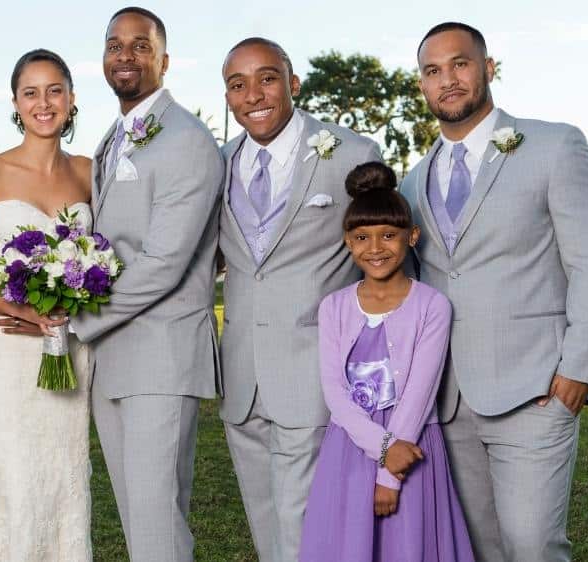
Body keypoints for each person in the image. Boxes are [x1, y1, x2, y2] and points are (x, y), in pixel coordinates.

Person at [400, 22, 588, 562]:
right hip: (447, 399)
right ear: (422, 86)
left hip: (536, 389)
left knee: (532, 545)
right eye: (433, 71)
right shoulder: (412, 181)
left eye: (460, 64)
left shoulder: (554, 145)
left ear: (488, 68)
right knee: (477, 547)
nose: (447, 80)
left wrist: (579, 371)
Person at [217, 37, 382, 561]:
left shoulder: (350, 153)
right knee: (267, 528)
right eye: (237, 85)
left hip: (314, 375)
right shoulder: (217, 164)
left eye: (266, 78)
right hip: (241, 377)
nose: (253, 94)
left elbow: (387, 261)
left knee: (303, 529)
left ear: (292, 82)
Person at [69, 7, 224, 561]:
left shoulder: (186, 138)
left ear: (164, 59)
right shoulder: (114, 135)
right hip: (115, 359)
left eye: (140, 45)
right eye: (115, 45)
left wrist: (76, 319)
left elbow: (164, 262)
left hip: (161, 354)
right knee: (138, 518)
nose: (125, 56)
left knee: (158, 520)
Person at [0, 48, 93, 561]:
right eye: (30, 92)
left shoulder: (89, 173)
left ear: (72, 100)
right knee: (10, 475)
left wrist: (67, 312)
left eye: (54, 90)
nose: (43, 102)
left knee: (62, 476)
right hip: (8, 353)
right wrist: (25, 311)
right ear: (15, 102)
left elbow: (102, 263)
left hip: (69, 349)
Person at [298, 162, 474, 561]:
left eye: (388, 235)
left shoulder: (432, 306)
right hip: (351, 446)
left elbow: (418, 394)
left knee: (405, 545)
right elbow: (335, 391)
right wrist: (380, 447)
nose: (375, 248)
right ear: (347, 242)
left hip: (408, 449)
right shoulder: (334, 307)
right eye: (362, 237)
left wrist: (389, 474)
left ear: (411, 237)